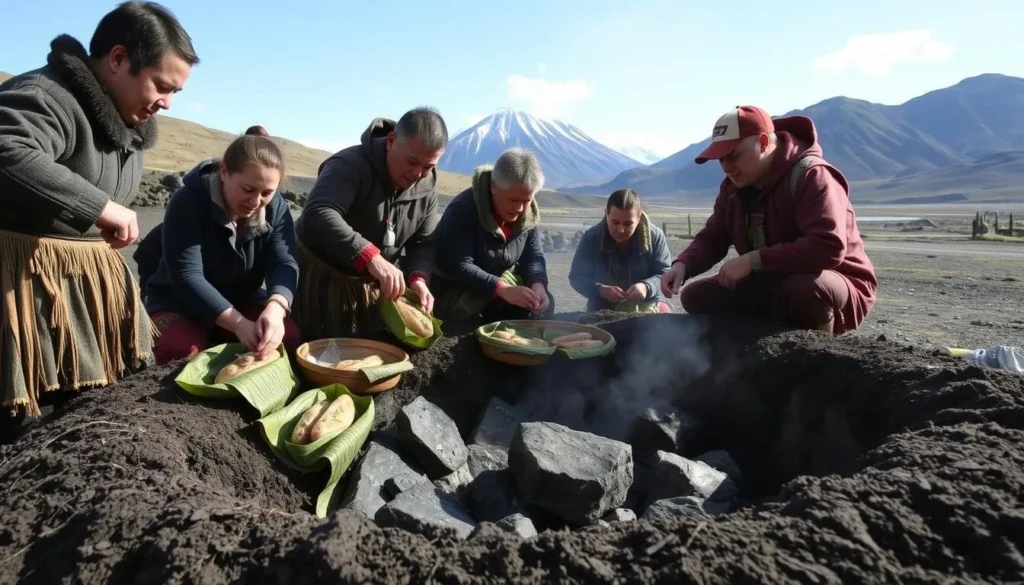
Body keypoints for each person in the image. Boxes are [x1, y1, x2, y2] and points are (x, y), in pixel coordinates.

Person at [0, 1, 198, 423]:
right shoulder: (45, 95)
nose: (167, 103)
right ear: (118, 59)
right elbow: (8, 148)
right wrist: (100, 206)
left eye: (175, 92)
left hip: (83, 296)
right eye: (161, 86)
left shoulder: (127, 122)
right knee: (22, 423)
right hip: (24, 294)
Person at [660, 105, 877, 334]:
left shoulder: (812, 176)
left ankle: (819, 356)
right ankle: (755, 352)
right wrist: (683, 265)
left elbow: (828, 246)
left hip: (836, 284)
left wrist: (754, 260)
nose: (727, 168)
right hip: (771, 281)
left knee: (803, 288)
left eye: (733, 156)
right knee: (697, 296)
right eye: (721, 160)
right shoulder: (733, 188)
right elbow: (714, 236)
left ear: (763, 142)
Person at [134, 127, 301, 365]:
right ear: (224, 171)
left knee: (287, 338)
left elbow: (284, 262)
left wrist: (276, 307)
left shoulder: (277, 208)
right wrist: (239, 324)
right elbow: (187, 275)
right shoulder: (188, 201)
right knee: (181, 352)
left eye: (266, 193)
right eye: (248, 189)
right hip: (179, 303)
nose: (256, 202)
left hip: (242, 298)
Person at [293, 108, 445, 337]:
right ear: (391, 141)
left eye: (428, 166)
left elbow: (424, 243)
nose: (417, 173)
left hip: (369, 286)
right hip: (320, 281)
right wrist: (370, 256)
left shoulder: (426, 189)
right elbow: (318, 212)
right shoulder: (349, 165)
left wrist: (419, 278)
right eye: (412, 161)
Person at [432, 148, 554, 322]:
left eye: (526, 201)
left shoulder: (528, 214)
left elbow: (533, 256)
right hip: (457, 291)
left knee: (541, 305)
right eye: (513, 200)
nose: (519, 208)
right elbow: (460, 265)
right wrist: (501, 289)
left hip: (499, 287)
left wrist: (538, 284)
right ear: (493, 186)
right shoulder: (463, 209)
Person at [569, 188, 672, 313]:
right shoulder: (591, 238)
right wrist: (600, 290)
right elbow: (577, 277)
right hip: (602, 308)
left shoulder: (655, 236)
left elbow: (665, 274)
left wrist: (647, 287)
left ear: (639, 217)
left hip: (647, 306)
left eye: (628, 224)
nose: (621, 230)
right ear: (606, 214)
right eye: (615, 222)